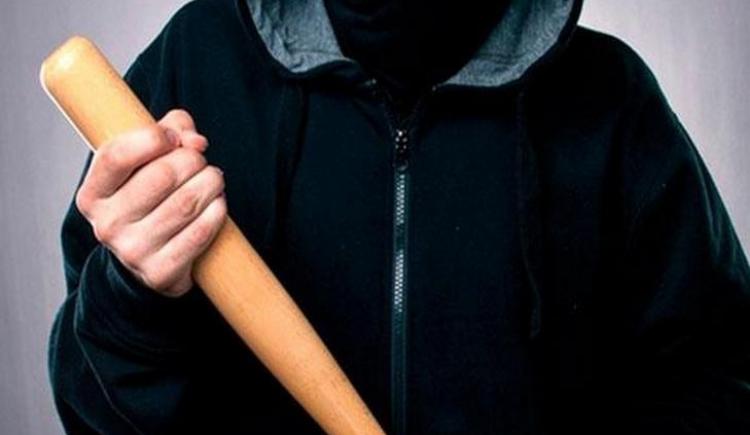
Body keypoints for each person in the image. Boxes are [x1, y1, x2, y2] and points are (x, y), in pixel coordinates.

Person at [48, 0, 750, 433]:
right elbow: (88, 407)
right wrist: (132, 298)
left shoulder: (609, 100)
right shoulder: (197, 65)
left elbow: (722, 381)